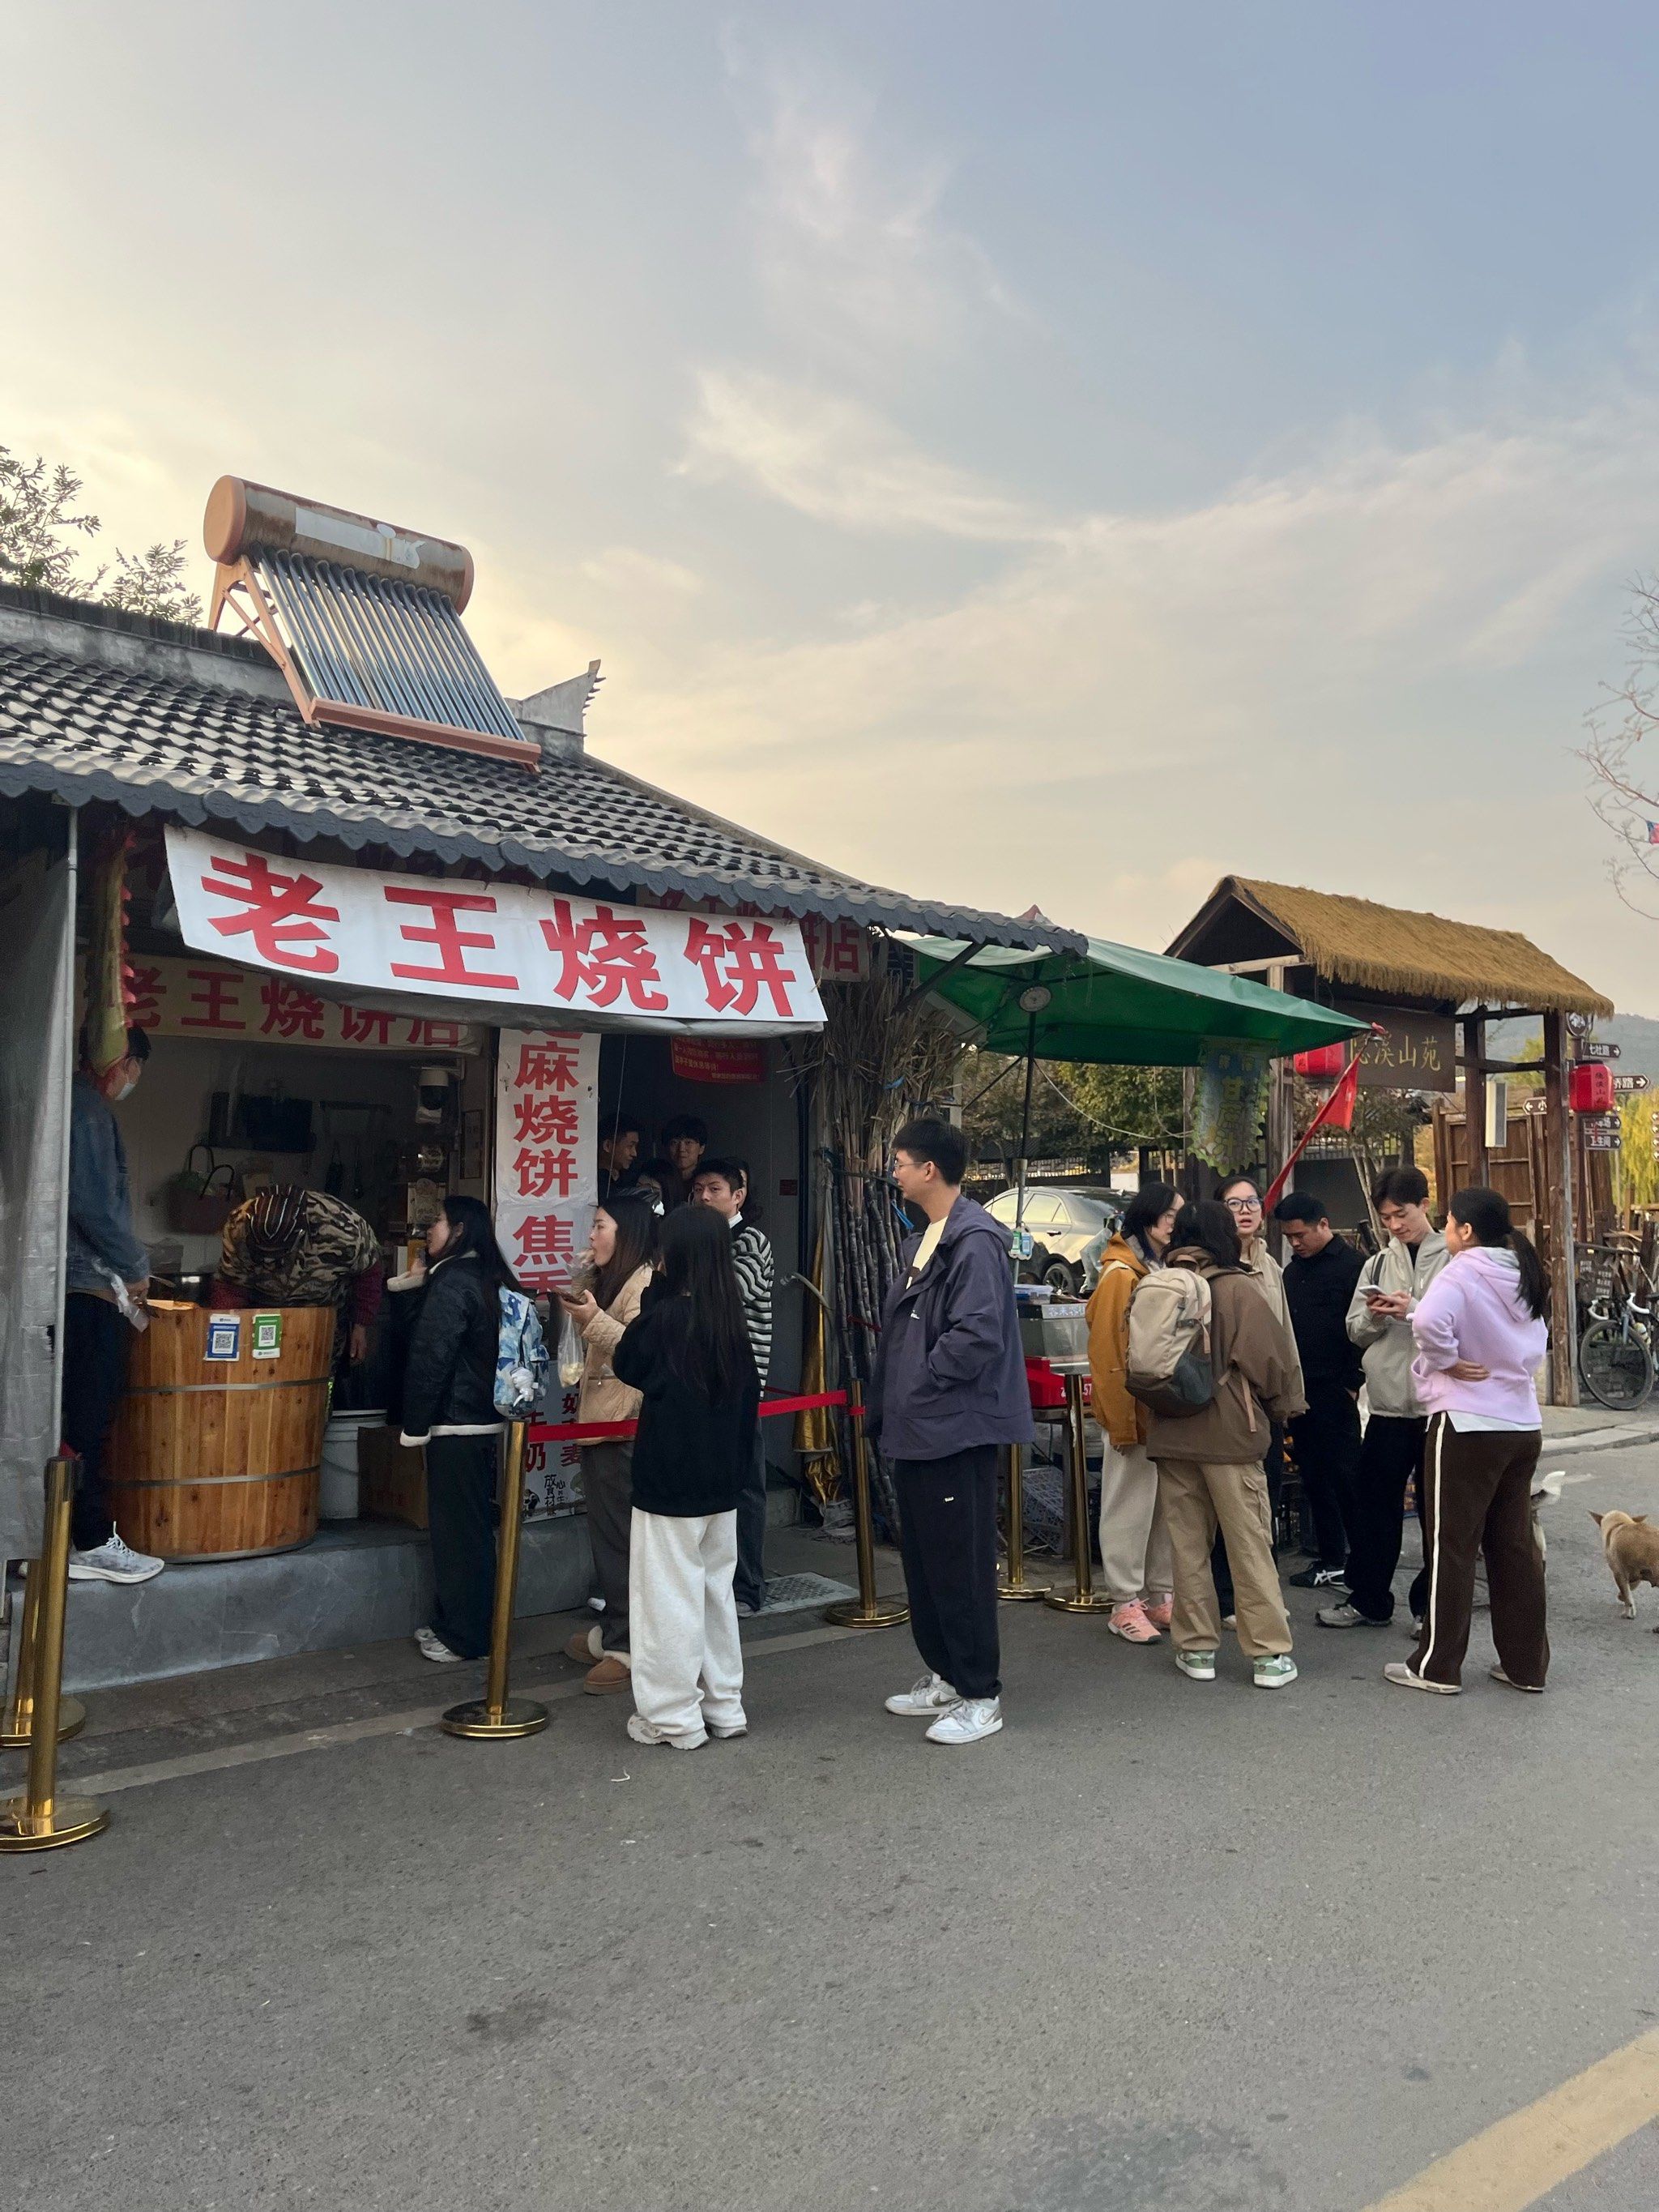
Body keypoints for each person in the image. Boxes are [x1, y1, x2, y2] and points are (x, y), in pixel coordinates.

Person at [868, 1117, 1030, 1747]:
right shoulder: (929, 1235)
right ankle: (946, 1673)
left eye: (902, 1162)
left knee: (960, 1564)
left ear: (929, 1169)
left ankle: (980, 1693)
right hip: (921, 1426)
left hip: (954, 1428)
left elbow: (978, 1332)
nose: (895, 1172)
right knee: (927, 1561)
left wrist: (922, 1379)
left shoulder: (974, 1238)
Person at [1385, 1187, 1550, 1696]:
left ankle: (1436, 1666)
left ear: (1466, 1230)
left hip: (1466, 1422)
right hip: (1521, 1422)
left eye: (1450, 1222)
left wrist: (1447, 1361)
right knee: (1513, 1548)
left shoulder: (1462, 1268)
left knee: (1451, 1546)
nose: (1447, 1230)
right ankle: (1527, 1667)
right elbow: (1536, 1339)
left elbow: (1437, 1323)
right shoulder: (1523, 1270)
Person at [612, 1204, 758, 1749]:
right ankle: (725, 1705)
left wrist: (656, 1294)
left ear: (672, 1257)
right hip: (723, 1486)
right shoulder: (729, 1319)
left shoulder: (668, 1319)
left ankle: (673, 1716)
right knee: (714, 1595)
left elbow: (629, 1360)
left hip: (669, 1484)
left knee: (665, 1600)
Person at [1145, 1198, 1304, 1687]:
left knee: (1188, 1547)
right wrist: (1283, 1409)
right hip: (1231, 1438)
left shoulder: (1157, 1283)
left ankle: (1196, 1650)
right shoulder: (1236, 1288)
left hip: (1170, 1434)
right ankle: (1269, 1655)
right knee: (1249, 1546)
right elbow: (1272, 1364)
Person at [1319, 1167, 1450, 1633]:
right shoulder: (1375, 1265)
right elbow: (1354, 1330)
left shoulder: (1455, 1259)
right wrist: (1377, 1316)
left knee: (1439, 1516)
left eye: (1403, 1213)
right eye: (1387, 1216)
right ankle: (1370, 1599)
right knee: (1376, 1509)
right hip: (1390, 1406)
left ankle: (1428, 1609)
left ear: (1425, 1205)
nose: (1395, 1224)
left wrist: (1415, 1311)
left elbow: (1465, 1327)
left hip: (1441, 1410)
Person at [389, 1196, 518, 1665]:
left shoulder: (454, 1283)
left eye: (438, 1221)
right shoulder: (486, 1274)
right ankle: (459, 1623)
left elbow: (431, 1357)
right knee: (471, 1528)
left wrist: (415, 1426)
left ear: (460, 1230)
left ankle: (465, 1635)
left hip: (454, 1423)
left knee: (458, 1533)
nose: (429, 1229)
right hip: (483, 1421)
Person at [62, 1026, 164, 1583]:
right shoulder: (88, 1112)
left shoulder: (68, 1105)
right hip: (91, 1289)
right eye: (133, 1067)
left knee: (64, 1423)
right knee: (88, 1421)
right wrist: (135, 1265)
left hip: (68, 1286)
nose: (131, 1080)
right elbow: (95, 1205)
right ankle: (91, 1541)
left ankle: (48, 1541)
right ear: (118, 1060)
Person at [556, 1195, 659, 1693]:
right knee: (610, 1534)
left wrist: (592, 1316)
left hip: (625, 1424)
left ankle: (629, 1645)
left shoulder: (644, 1282)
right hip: (602, 1421)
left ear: (627, 1234)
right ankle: (617, 1628)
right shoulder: (613, 1277)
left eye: (600, 1226)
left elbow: (641, 1350)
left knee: (622, 1539)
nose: (592, 1236)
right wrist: (580, 1287)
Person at [1084, 1182, 1182, 1642]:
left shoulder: (1154, 1267)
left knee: (1161, 1507)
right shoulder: (1121, 1275)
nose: (1176, 1223)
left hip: (1159, 1411)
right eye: (1170, 1215)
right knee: (1128, 1508)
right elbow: (1107, 1356)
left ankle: (1159, 1595)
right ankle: (1124, 1601)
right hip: (1132, 1413)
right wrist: (1120, 1422)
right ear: (1150, 1218)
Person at [1210, 1173, 1303, 1616]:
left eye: (1251, 1202)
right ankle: (1228, 1597)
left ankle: (1258, 1594)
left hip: (1267, 1400)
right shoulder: (1210, 1267)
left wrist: (1288, 1395)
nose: (1245, 1210)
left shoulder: (1271, 1265)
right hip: (1228, 1401)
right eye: (1233, 1204)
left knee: (1264, 1497)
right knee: (1229, 1505)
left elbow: (1284, 1340)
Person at [692, 1156, 774, 1614]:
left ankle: (746, 1589)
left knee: (745, 1488)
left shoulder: (751, 1241)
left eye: (715, 1189)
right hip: (699, 1385)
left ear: (738, 1196)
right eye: (699, 1189)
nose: (704, 1197)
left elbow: (730, 1295)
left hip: (741, 1386)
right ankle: (711, 1586)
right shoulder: (700, 1241)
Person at [1273, 1191, 1364, 1590]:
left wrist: (1352, 1384)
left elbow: (1364, 1332)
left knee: (1346, 1478)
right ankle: (1330, 1557)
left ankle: (1361, 1560)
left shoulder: (1354, 1268)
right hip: (1299, 1391)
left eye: (1301, 1235)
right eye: (1289, 1237)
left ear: (1324, 1225)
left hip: (1336, 1389)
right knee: (1313, 1478)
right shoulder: (1290, 1274)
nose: (1295, 1243)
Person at [213, 1184, 383, 1371]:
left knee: (318, 1379)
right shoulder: (238, 1224)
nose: (270, 1263)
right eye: (263, 1257)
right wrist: (225, 1335)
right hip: (259, 1319)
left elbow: (369, 1273)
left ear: (301, 1236)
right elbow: (229, 1286)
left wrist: (361, 1325)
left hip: (322, 1318)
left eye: (278, 1258)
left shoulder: (345, 1230)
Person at [646, 1114, 709, 1212]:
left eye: (688, 1142)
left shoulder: (707, 1182)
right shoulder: (656, 1180)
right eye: (674, 1142)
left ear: (701, 1148)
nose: (681, 1149)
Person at [597, 1111, 643, 1206]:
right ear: (608, 1146)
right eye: (630, 1146)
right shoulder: (591, 1183)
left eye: (636, 1147)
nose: (635, 1154)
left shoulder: (633, 1179)